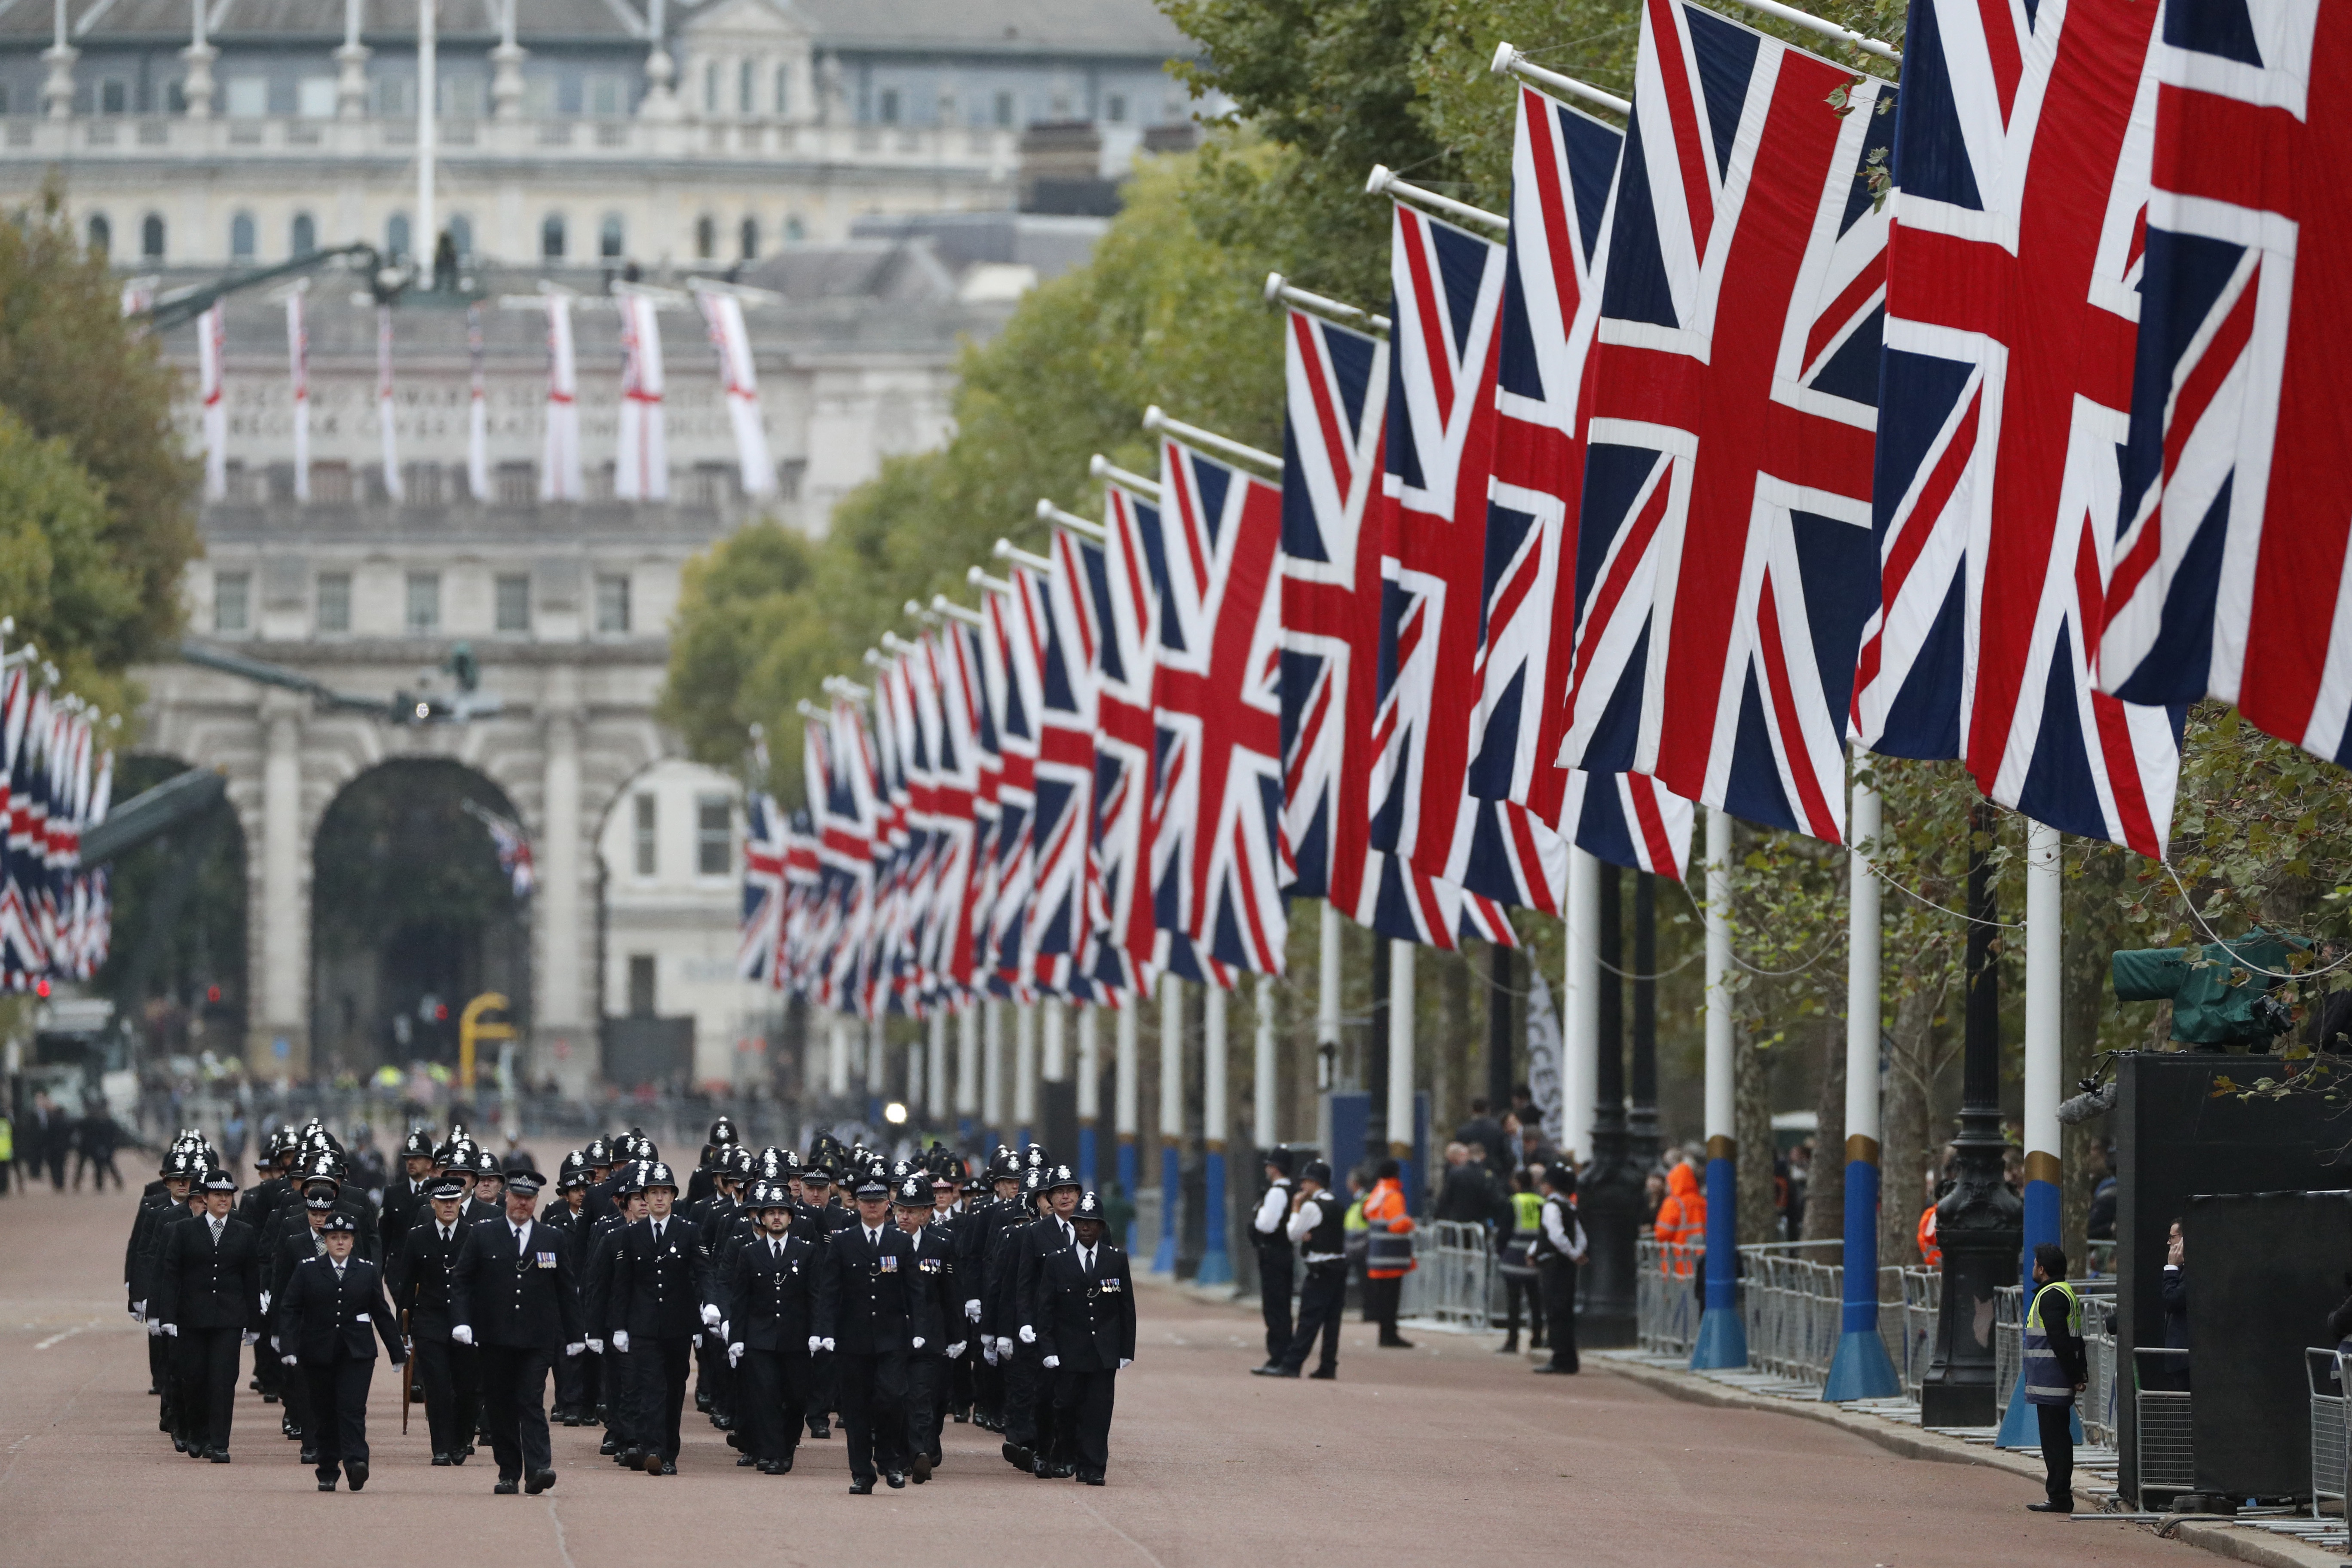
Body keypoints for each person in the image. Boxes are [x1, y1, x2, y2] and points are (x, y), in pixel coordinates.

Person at [450, 1165, 585, 1496]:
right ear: (506, 1196)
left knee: (531, 1400)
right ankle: (509, 1472)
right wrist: (462, 1321)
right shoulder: (483, 1234)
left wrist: (576, 1336)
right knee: (500, 1405)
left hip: (537, 1338)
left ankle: (539, 1467)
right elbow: (462, 1280)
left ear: (537, 1201)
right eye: (518, 1197)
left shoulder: (551, 1238)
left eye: (529, 1199)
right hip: (494, 1337)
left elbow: (566, 1289)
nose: (522, 1204)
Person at [279, 1210, 407, 1491]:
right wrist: (287, 1346)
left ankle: (356, 1462)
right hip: (317, 1352)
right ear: (325, 1240)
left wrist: (397, 1352)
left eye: (345, 1237)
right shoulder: (308, 1269)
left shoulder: (366, 1271)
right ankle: (327, 1469)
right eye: (334, 1237)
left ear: (352, 1241)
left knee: (352, 1409)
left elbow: (381, 1313)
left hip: (357, 1352)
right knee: (323, 1412)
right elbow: (290, 1309)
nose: (339, 1242)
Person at [605, 1159, 714, 1475]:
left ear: (673, 1196)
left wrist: (710, 1304)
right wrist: (619, 1327)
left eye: (665, 1192)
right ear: (646, 1197)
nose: (659, 1198)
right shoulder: (631, 1234)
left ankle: (669, 1452)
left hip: (679, 1326)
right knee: (651, 1387)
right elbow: (622, 1285)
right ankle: (654, 1450)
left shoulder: (688, 1231)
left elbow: (704, 1272)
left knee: (674, 1389)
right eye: (653, 1193)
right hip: (643, 1326)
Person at [814, 1169, 918, 1493]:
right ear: (857, 1203)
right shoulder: (844, 1241)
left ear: (889, 1204)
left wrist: (920, 1328)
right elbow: (829, 1290)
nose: (872, 1207)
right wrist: (825, 1330)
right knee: (856, 1408)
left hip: (892, 1337)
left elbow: (915, 1291)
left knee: (892, 1398)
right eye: (866, 1201)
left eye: (878, 1201)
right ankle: (862, 1472)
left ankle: (889, 1459)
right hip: (852, 1338)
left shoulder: (900, 1241)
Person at [150, 1167, 263, 1462]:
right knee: (194, 1378)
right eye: (218, 1195)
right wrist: (167, 1317)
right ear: (205, 1198)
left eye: (228, 1195)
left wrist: (254, 1323)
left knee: (223, 1381)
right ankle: (197, 1433)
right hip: (192, 1317)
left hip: (229, 1318)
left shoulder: (244, 1232)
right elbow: (171, 1275)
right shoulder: (185, 1231)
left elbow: (252, 1279)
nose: (223, 1200)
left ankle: (219, 1442)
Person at [1035, 1190, 1134, 1485]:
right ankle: (1068, 1451)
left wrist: (1126, 1349)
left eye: (1092, 1224)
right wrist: (1048, 1348)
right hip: (1068, 1350)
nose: (1086, 1228)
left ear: (1101, 1227)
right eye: (1081, 1223)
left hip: (1103, 1351)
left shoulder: (1116, 1260)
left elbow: (1126, 1308)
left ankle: (1093, 1467)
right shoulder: (1057, 1261)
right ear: (1075, 1225)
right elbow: (1046, 1310)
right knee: (1065, 1406)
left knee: (1099, 1411)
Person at [722, 1179, 819, 1475]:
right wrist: (736, 1339)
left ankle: (786, 1446)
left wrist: (818, 1332)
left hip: (796, 1338)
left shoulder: (808, 1252)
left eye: (782, 1212)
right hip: (759, 1338)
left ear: (791, 1218)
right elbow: (741, 1300)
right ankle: (772, 1453)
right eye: (771, 1212)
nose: (776, 1217)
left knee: (795, 1398)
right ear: (761, 1219)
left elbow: (816, 1296)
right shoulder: (749, 1253)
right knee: (765, 1397)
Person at [390, 1175, 480, 1465]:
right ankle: (441, 1447)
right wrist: (400, 1333)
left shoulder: (474, 1235)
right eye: (443, 1202)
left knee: (468, 1387)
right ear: (433, 1204)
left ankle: (462, 1438)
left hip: (466, 1323)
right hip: (430, 1321)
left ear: (461, 1202)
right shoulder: (418, 1237)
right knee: (438, 1386)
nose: (449, 1206)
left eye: (454, 1201)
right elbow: (406, 1286)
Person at [1253, 1159, 1346, 1380]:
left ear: (1315, 1183)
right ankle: (1328, 1365)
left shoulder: (1312, 1206)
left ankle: (1292, 1364)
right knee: (1332, 1321)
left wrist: (1295, 1209)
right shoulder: (1337, 1204)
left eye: (1305, 1181)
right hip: (1338, 1266)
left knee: (1308, 1320)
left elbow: (1293, 1234)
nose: (1302, 1186)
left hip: (1319, 1268)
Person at [2023, 1242, 2087, 1514]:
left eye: (2036, 1263)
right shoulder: (2065, 1293)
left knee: (2055, 1441)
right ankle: (2060, 1494)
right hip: (2056, 1380)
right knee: (2058, 1438)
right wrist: (2080, 1373)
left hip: (2052, 1381)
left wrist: (2074, 1376)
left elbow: (2060, 1340)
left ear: (2043, 1269)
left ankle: (2059, 1496)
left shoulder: (2050, 1296)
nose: (2033, 1267)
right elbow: (2076, 1340)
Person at [1530, 1164, 1587, 1375]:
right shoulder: (1571, 1208)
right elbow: (1580, 1235)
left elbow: (1553, 1234)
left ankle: (1560, 1357)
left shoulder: (1551, 1206)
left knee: (1555, 1310)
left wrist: (1570, 1252)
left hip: (1553, 1264)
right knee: (1566, 1309)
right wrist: (1577, 1253)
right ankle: (1570, 1358)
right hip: (1567, 1265)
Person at [1247, 1147, 1295, 1371]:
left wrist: (1258, 1216)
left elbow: (1266, 1225)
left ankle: (1278, 1356)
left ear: (1275, 1169)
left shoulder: (1276, 1193)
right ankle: (1283, 1354)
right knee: (1282, 1304)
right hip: (1285, 1252)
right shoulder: (1291, 1191)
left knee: (1275, 1306)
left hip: (1273, 1252)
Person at [1361, 1158, 1416, 1348]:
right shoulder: (1394, 1196)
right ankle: (1390, 1335)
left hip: (1378, 1256)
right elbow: (1398, 1224)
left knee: (1383, 1299)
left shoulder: (1378, 1193)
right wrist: (1410, 1224)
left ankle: (1385, 1333)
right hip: (1392, 1257)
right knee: (1391, 1299)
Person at [1495, 1166, 1544, 1356]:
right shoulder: (1541, 1202)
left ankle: (1512, 1341)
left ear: (1517, 1183)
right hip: (1535, 1257)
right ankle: (1537, 1337)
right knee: (1535, 1301)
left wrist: (1502, 1251)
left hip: (1514, 1257)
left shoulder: (1514, 1202)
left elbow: (1504, 1232)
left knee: (1514, 1302)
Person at [2155, 1218, 2189, 1391]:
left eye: (2172, 1237)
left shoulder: (2191, 1269)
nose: (2169, 1242)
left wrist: (2171, 1268)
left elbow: (2172, 1300)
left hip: (2187, 1361)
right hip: (2179, 1360)